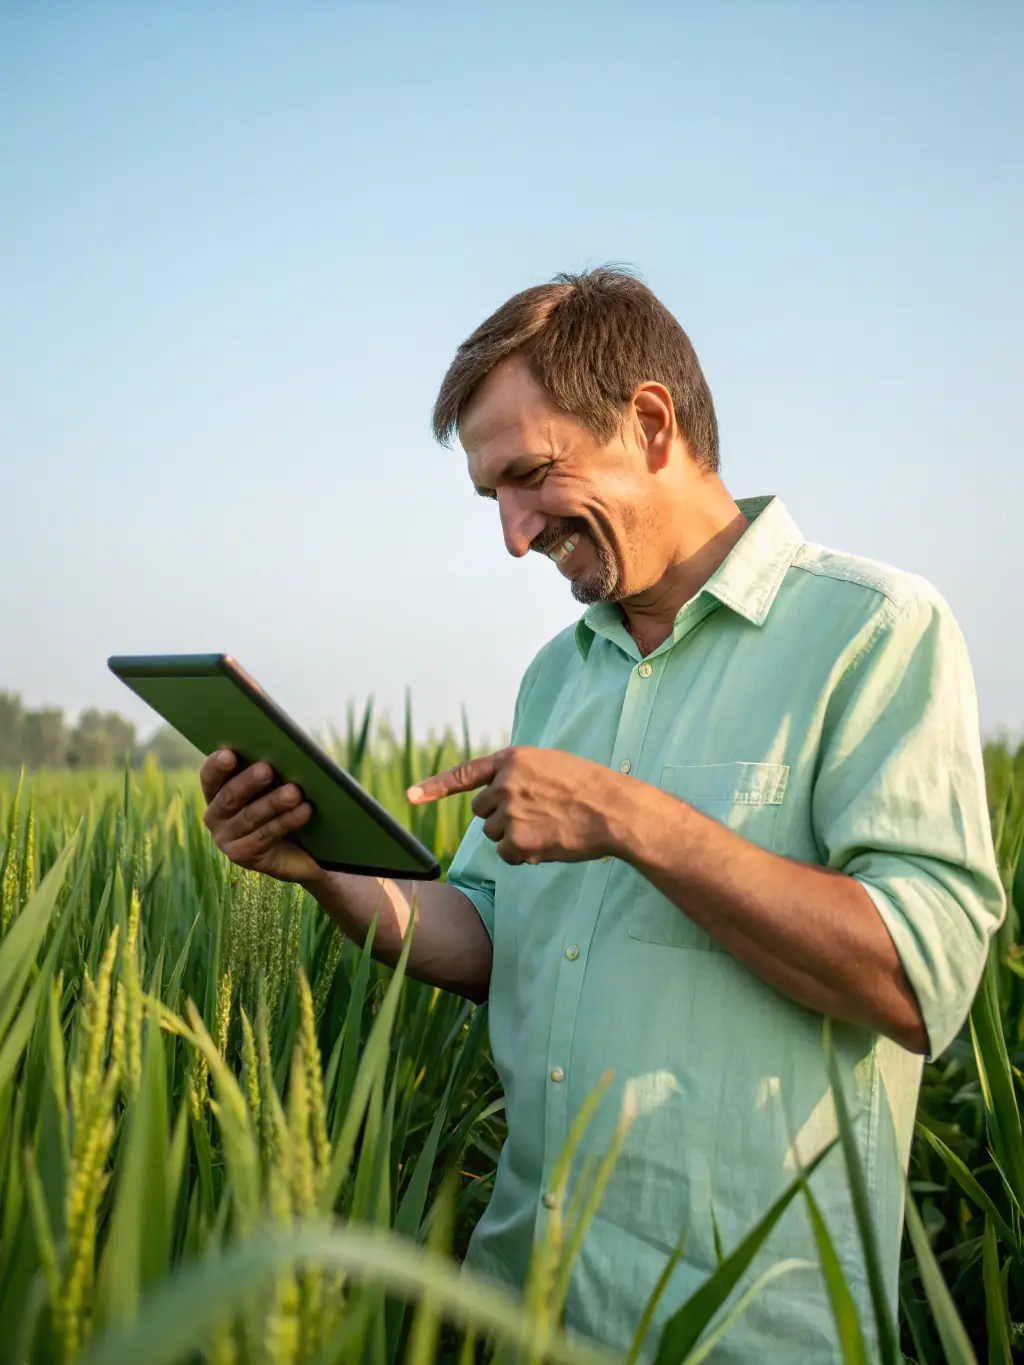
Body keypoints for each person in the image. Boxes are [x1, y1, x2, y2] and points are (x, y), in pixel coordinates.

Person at [200, 267, 1005, 1362]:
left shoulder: (875, 634)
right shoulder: (556, 679)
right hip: (524, 1305)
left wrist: (629, 816)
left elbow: (918, 983)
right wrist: (320, 871)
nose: (515, 537)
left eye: (531, 477)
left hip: (751, 1332)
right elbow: (488, 935)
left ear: (649, 421)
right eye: (493, 499)